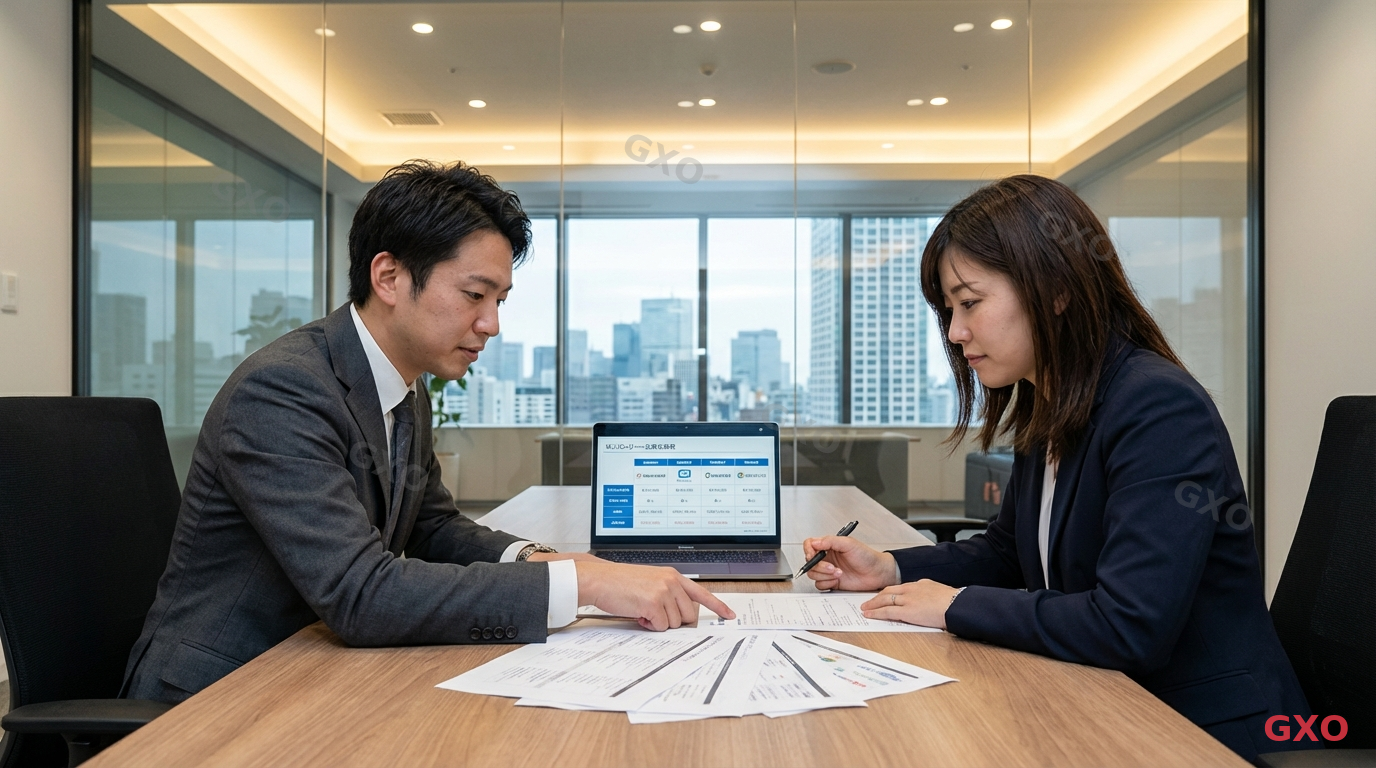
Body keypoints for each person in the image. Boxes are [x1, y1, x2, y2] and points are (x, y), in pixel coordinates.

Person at [123, 160, 733, 705]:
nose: (491, 323)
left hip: (315, 667)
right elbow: (361, 594)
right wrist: (586, 583)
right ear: (388, 277)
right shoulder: (283, 391)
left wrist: (542, 559)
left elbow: (429, 525)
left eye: (499, 299)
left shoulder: (399, 383)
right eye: (474, 294)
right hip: (220, 694)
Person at [802, 175, 1315, 761]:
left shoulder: (1157, 406)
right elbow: (1008, 553)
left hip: (1201, 730)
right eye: (950, 309)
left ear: (1054, 290)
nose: (955, 331)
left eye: (969, 302)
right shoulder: (1054, 401)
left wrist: (953, 604)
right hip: (1102, 700)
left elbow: (1129, 625)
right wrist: (889, 567)